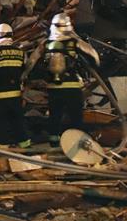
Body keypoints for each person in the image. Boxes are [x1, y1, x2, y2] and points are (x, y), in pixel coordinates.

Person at [25, 12, 100, 145]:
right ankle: (78, 144)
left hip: (54, 88)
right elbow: (93, 55)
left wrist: (24, 76)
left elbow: (31, 62)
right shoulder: (75, 42)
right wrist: (95, 66)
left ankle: (54, 143)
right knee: (76, 117)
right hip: (72, 87)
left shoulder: (46, 43)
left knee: (55, 116)